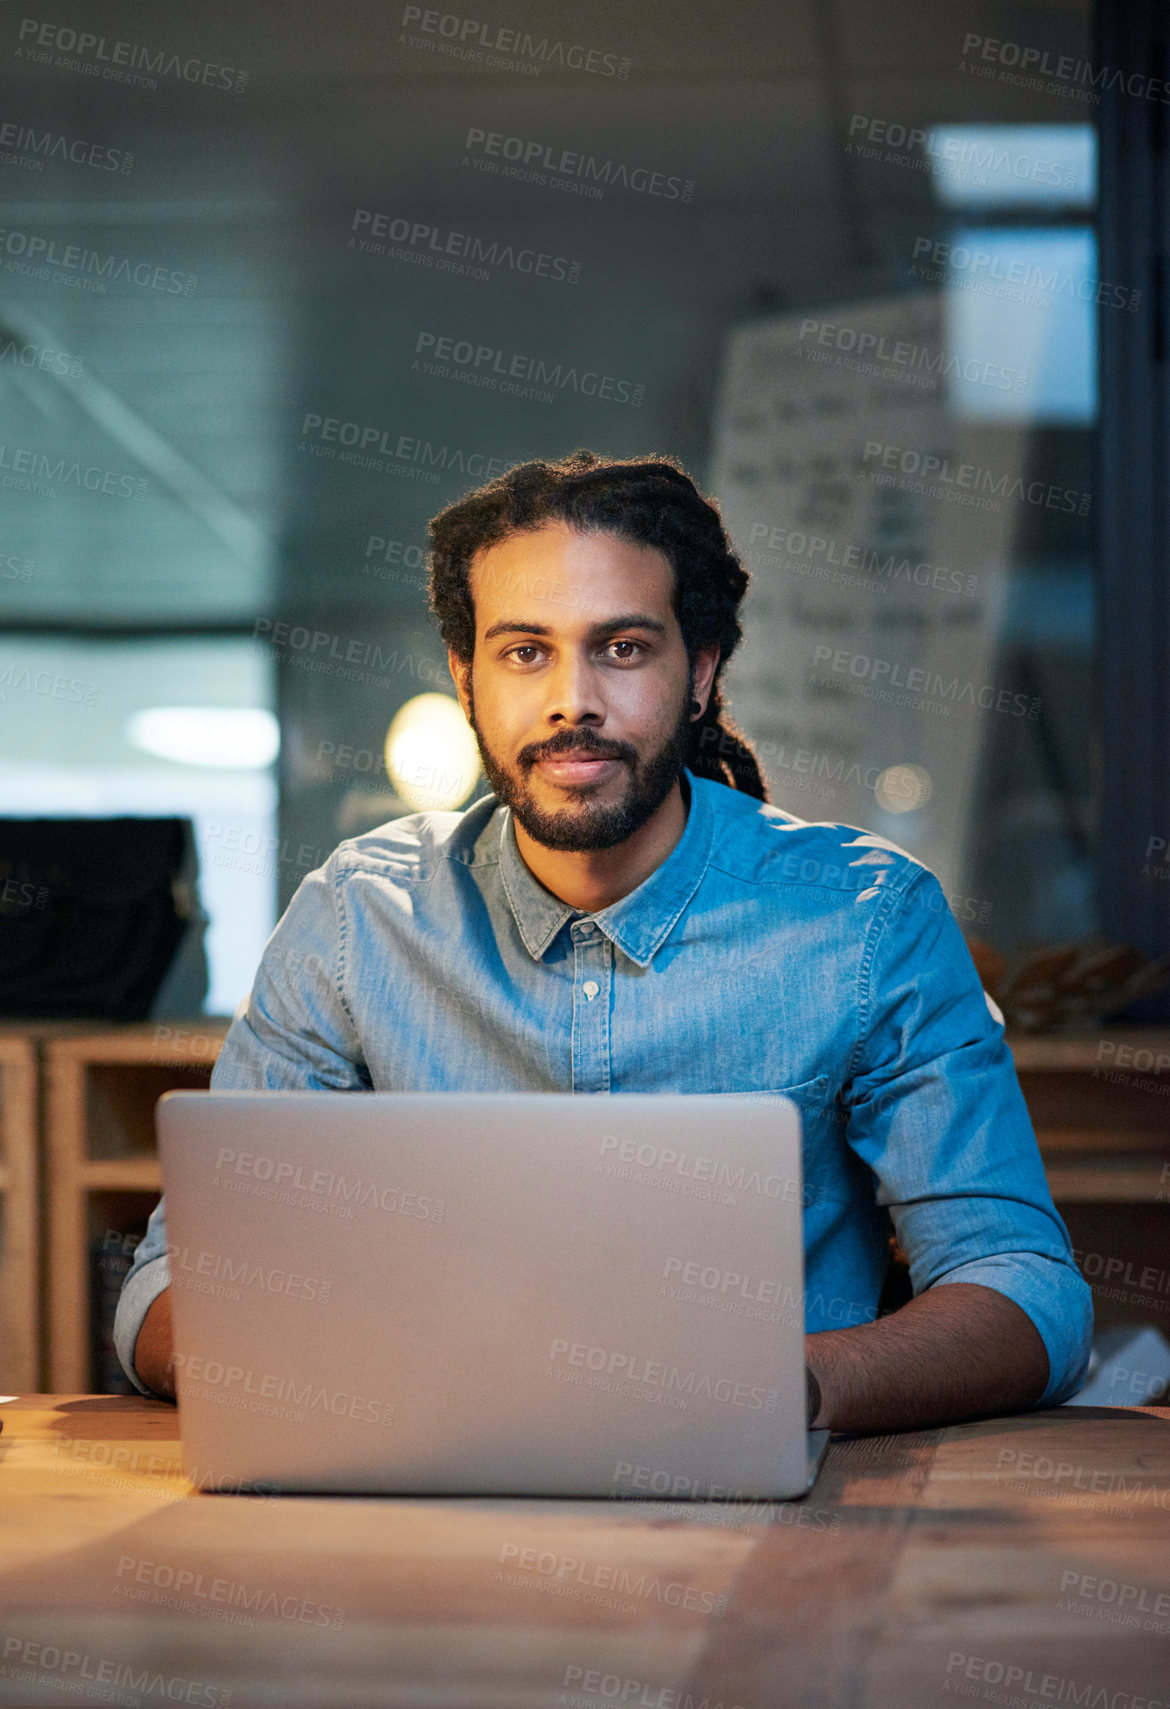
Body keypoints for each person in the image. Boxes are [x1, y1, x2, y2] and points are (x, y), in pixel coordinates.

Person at [115, 449, 1092, 1430]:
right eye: (525, 651)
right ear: (466, 678)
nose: (572, 699)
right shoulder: (354, 920)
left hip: (780, 1506)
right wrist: (385, 1381)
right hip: (417, 1492)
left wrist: (778, 1388)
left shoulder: (867, 920)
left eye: (621, 647)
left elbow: (1024, 1285)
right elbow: (169, 1285)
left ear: (701, 671)